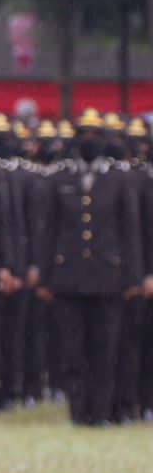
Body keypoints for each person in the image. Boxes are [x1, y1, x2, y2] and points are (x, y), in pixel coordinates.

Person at [35, 109, 143, 425]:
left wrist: (133, 276)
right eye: (84, 135)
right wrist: (44, 276)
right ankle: (79, 411)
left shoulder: (119, 179)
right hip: (67, 276)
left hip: (109, 276)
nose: (89, 141)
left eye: (95, 135)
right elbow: (48, 230)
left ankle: (101, 411)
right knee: (72, 348)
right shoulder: (60, 178)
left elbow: (131, 230)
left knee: (105, 348)